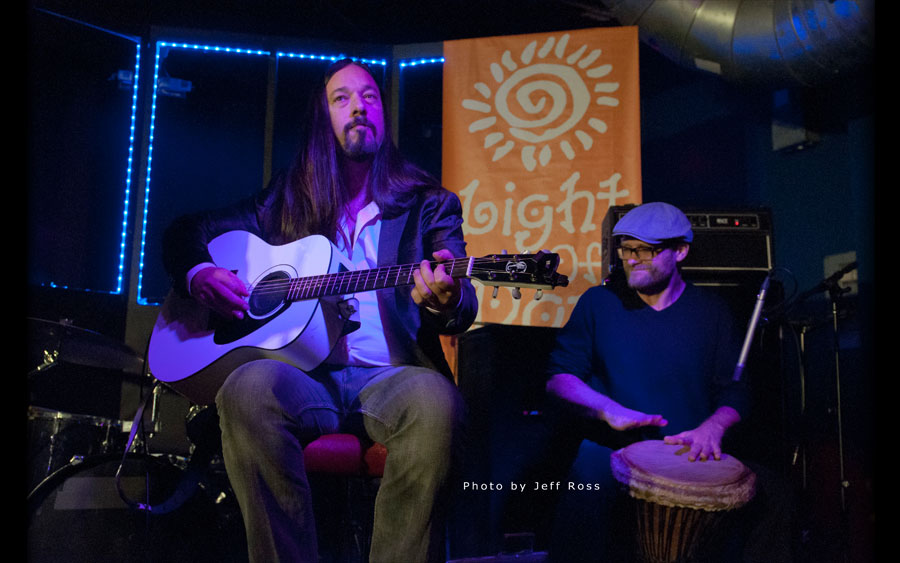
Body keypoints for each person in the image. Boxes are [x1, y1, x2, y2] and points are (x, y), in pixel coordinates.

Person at [162, 58, 478, 563]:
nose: (359, 107)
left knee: (438, 403)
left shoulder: (429, 204)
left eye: (370, 97)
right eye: (342, 98)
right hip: (306, 378)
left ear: (383, 114)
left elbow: (460, 300)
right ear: (322, 117)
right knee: (246, 388)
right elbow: (187, 230)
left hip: (394, 377)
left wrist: (448, 299)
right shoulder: (288, 198)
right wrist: (200, 274)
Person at [543, 201, 752, 562]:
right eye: (627, 249)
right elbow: (559, 378)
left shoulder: (712, 311)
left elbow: (737, 390)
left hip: (688, 453)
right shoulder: (599, 303)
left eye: (646, 250)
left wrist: (713, 427)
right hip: (611, 451)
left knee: (773, 497)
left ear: (680, 251)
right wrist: (608, 409)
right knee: (588, 479)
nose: (633, 259)